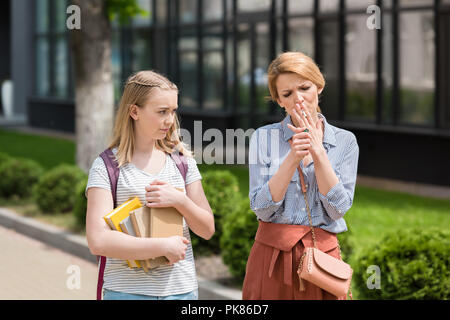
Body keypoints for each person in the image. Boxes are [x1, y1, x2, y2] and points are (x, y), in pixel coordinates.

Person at [85, 70, 215, 300]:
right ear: (134, 111)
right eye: (162, 112)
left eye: (173, 111)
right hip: (126, 292)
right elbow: (98, 240)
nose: (170, 120)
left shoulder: (183, 161)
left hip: (182, 291)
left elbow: (207, 229)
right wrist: (162, 246)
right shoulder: (107, 166)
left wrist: (179, 200)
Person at [242, 52, 359, 300]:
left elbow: (339, 207)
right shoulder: (264, 138)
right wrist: (292, 157)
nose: (298, 99)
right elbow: (261, 208)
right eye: (287, 94)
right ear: (279, 101)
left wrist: (318, 152)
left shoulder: (345, 142)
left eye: (304, 88)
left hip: (323, 259)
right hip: (271, 258)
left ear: (319, 86)